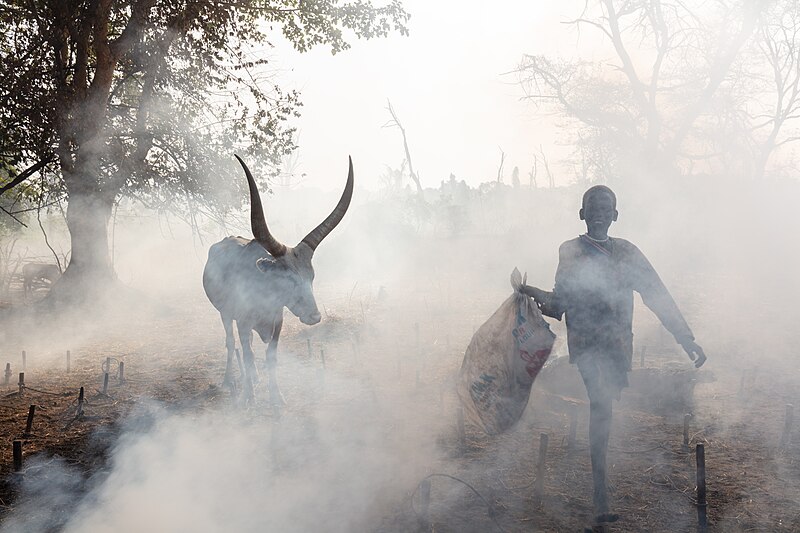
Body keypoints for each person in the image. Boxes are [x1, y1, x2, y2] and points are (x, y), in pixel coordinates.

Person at [521, 185, 706, 525]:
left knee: (605, 408)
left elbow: (657, 295)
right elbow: (559, 304)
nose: (600, 212)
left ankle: (600, 487)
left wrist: (685, 337)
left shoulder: (627, 253)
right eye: (593, 206)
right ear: (582, 213)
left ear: (616, 215)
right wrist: (528, 291)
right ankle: (600, 493)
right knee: (602, 407)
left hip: (618, 346)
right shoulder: (571, 251)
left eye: (607, 207)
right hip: (588, 345)